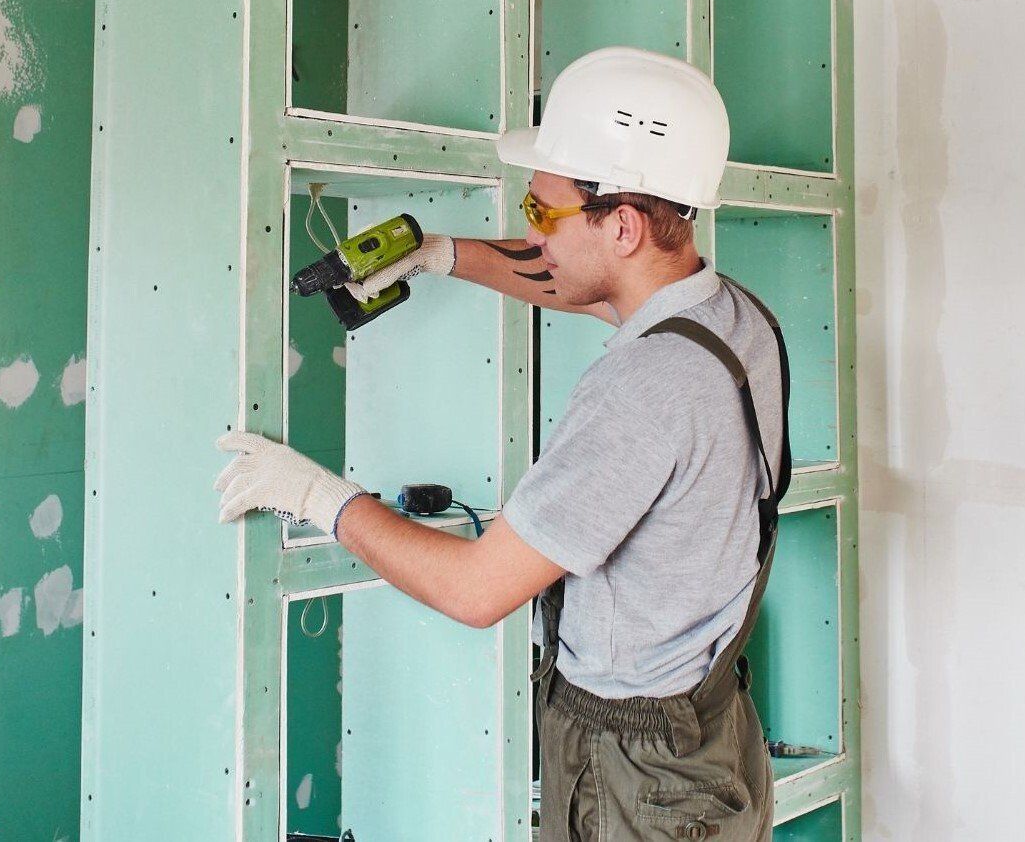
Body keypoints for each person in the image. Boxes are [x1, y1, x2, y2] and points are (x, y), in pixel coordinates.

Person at [215, 45, 791, 840]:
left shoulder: (640, 391)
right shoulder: (731, 319)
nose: (531, 230)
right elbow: (573, 286)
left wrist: (314, 495)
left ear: (621, 226)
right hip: (711, 730)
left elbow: (477, 591)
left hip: (637, 774)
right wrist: (439, 255)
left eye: (541, 211)